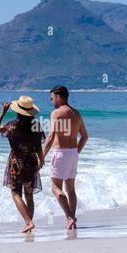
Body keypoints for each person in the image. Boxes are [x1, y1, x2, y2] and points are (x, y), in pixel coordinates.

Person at [0, 96, 45, 233]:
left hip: (16, 163)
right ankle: (29, 224)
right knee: (29, 195)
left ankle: (28, 222)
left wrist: (2, 112)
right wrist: (42, 159)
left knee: (16, 193)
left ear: (18, 111)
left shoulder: (12, 126)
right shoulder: (36, 126)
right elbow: (39, 146)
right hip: (32, 162)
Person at [43, 86, 88, 230]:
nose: (51, 101)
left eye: (51, 98)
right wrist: (76, 152)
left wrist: (41, 156)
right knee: (71, 189)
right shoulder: (76, 113)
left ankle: (69, 217)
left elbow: (50, 137)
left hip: (61, 152)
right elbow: (85, 137)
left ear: (58, 97)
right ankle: (71, 221)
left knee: (55, 187)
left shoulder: (56, 113)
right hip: (73, 153)